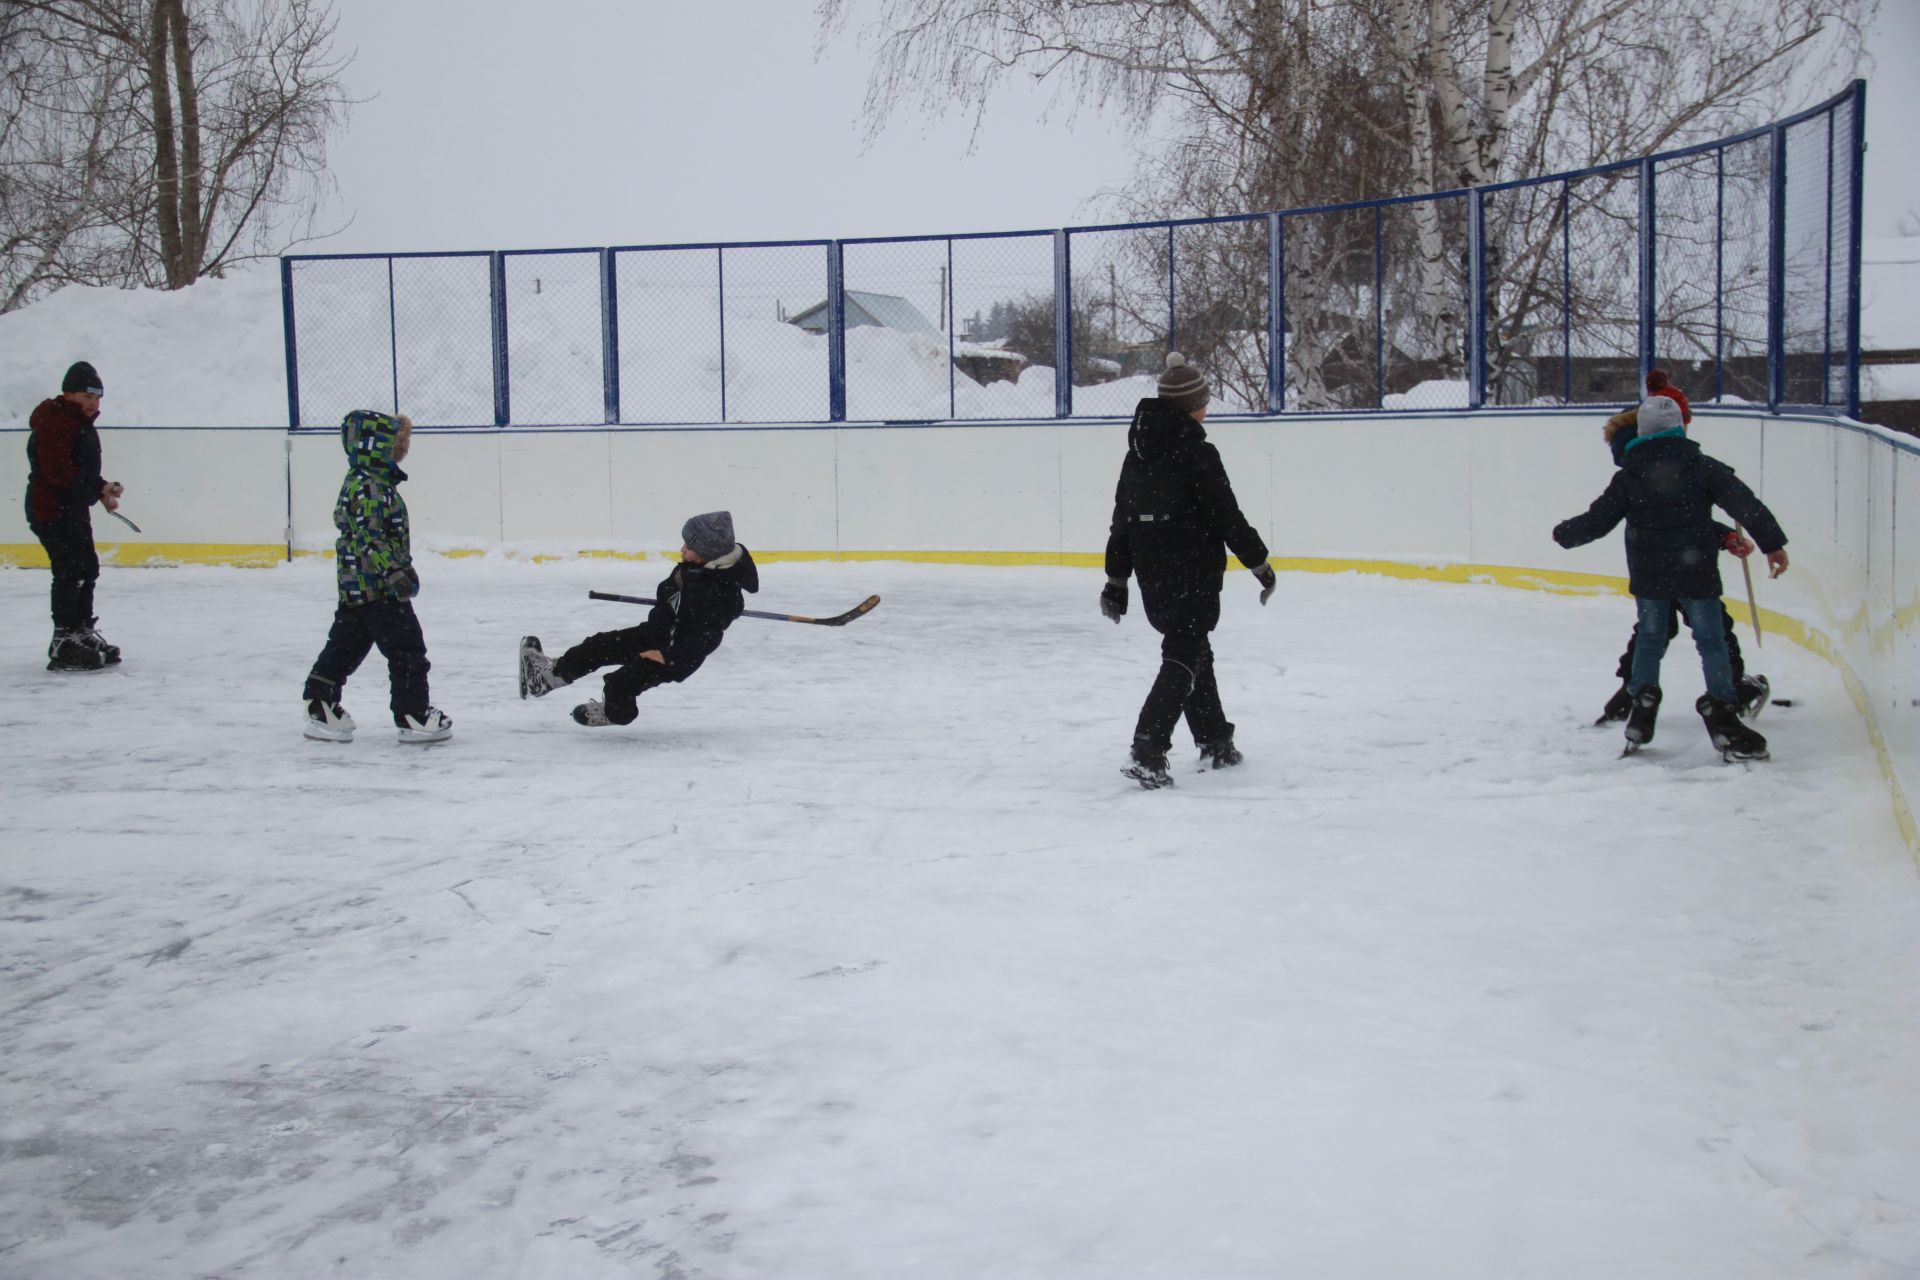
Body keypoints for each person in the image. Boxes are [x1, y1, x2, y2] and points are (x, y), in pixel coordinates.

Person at [1553, 393, 1788, 761]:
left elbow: (1598, 522)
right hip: (1697, 574)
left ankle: (1643, 700)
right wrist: (1772, 544)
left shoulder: (1629, 476)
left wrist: (1565, 533)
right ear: (1680, 427)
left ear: (1641, 431)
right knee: (1711, 641)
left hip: (1650, 577)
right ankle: (1723, 712)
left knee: (1650, 636)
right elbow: (1747, 505)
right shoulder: (1704, 466)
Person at [1102, 352, 1276, 789]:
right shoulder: (1197, 452)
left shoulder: (1136, 455)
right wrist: (1257, 560)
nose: (1207, 408)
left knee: (1194, 647)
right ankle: (1149, 747)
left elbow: (1122, 520)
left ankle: (1216, 740)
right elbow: (1225, 515)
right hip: (1192, 569)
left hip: (1152, 572)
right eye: (1203, 401)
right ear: (1188, 406)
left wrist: (1117, 580)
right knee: (1183, 650)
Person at [1591, 395, 1769, 724]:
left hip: (1654, 563)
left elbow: (1674, 514)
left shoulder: (1634, 461)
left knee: (1652, 631)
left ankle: (1631, 695)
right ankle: (1727, 694)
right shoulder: (1655, 456)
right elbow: (1679, 512)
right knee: (1711, 632)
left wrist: (1724, 536)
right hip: (1686, 566)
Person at [519, 511, 759, 727]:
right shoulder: (697, 568)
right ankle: (548, 678)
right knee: (598, 645)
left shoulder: (719, 594)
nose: (682, 550)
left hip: (677, 655)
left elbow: (706, 640)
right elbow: (675, 594)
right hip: (655, 633)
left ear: (708, 551)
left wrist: (666, 656)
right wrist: (671, 599)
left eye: (689, 546)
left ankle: (617, 713)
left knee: (621, 683)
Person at [300, 410, 452, 744]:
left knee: (345, 646)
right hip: (379, 587)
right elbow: (372, 537)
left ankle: (320, 701)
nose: (402, 450)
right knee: (407, 650)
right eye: (398, 444)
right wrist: (394, 571)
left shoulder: (365, 480)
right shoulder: (370, 487)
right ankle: (414, 714)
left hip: (358, 586)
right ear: (376, 446)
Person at [25, 361, 125, 671]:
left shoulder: (78, 423)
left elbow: (77, 472)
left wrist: (101, 493)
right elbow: (58, 472)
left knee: (87, 568)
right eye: (86, 395)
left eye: (97, 397)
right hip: (51, 509)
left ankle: (81, 630)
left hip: (71, 508)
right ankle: (64, 640)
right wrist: (98, 486)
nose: (93, 403)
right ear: (68, 393)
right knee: (70, 570)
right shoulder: (56, 423)